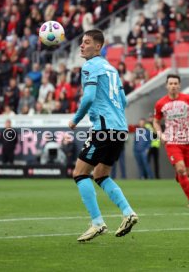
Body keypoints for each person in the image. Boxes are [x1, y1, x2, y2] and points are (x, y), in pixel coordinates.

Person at [68, 29, 138, 242]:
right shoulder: (112, 69)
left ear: (98, 46)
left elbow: (88, 98)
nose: (82, 45)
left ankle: (97, 222)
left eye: (87, 42)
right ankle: (128, 213)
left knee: (80, 173)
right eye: (81, 42)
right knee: (101, 175)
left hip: (104, 129)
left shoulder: (90, 66)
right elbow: (124, 101)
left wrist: (76, 120)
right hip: (120, 129)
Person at [153, 74, 189, 207]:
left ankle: (179, 175)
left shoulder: (188, 99)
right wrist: (161, 135)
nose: (173, 86)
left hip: (187, 141)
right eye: (170, 83)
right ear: (167, 86)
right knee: (181, 169)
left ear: (179, 85)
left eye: (175, 83)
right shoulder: (160, 103)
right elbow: (156, 121)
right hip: (172, 142)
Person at [145, 114, 161, 179]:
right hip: (149, 147)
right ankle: (147, 176)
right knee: (147, 162)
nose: (151, 119)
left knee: (156, 163)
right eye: (150, 118)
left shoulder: (156, 125)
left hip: (156, 146)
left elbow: (157, 135)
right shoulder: (147, 126)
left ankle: (157, 176)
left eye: (152, 118)